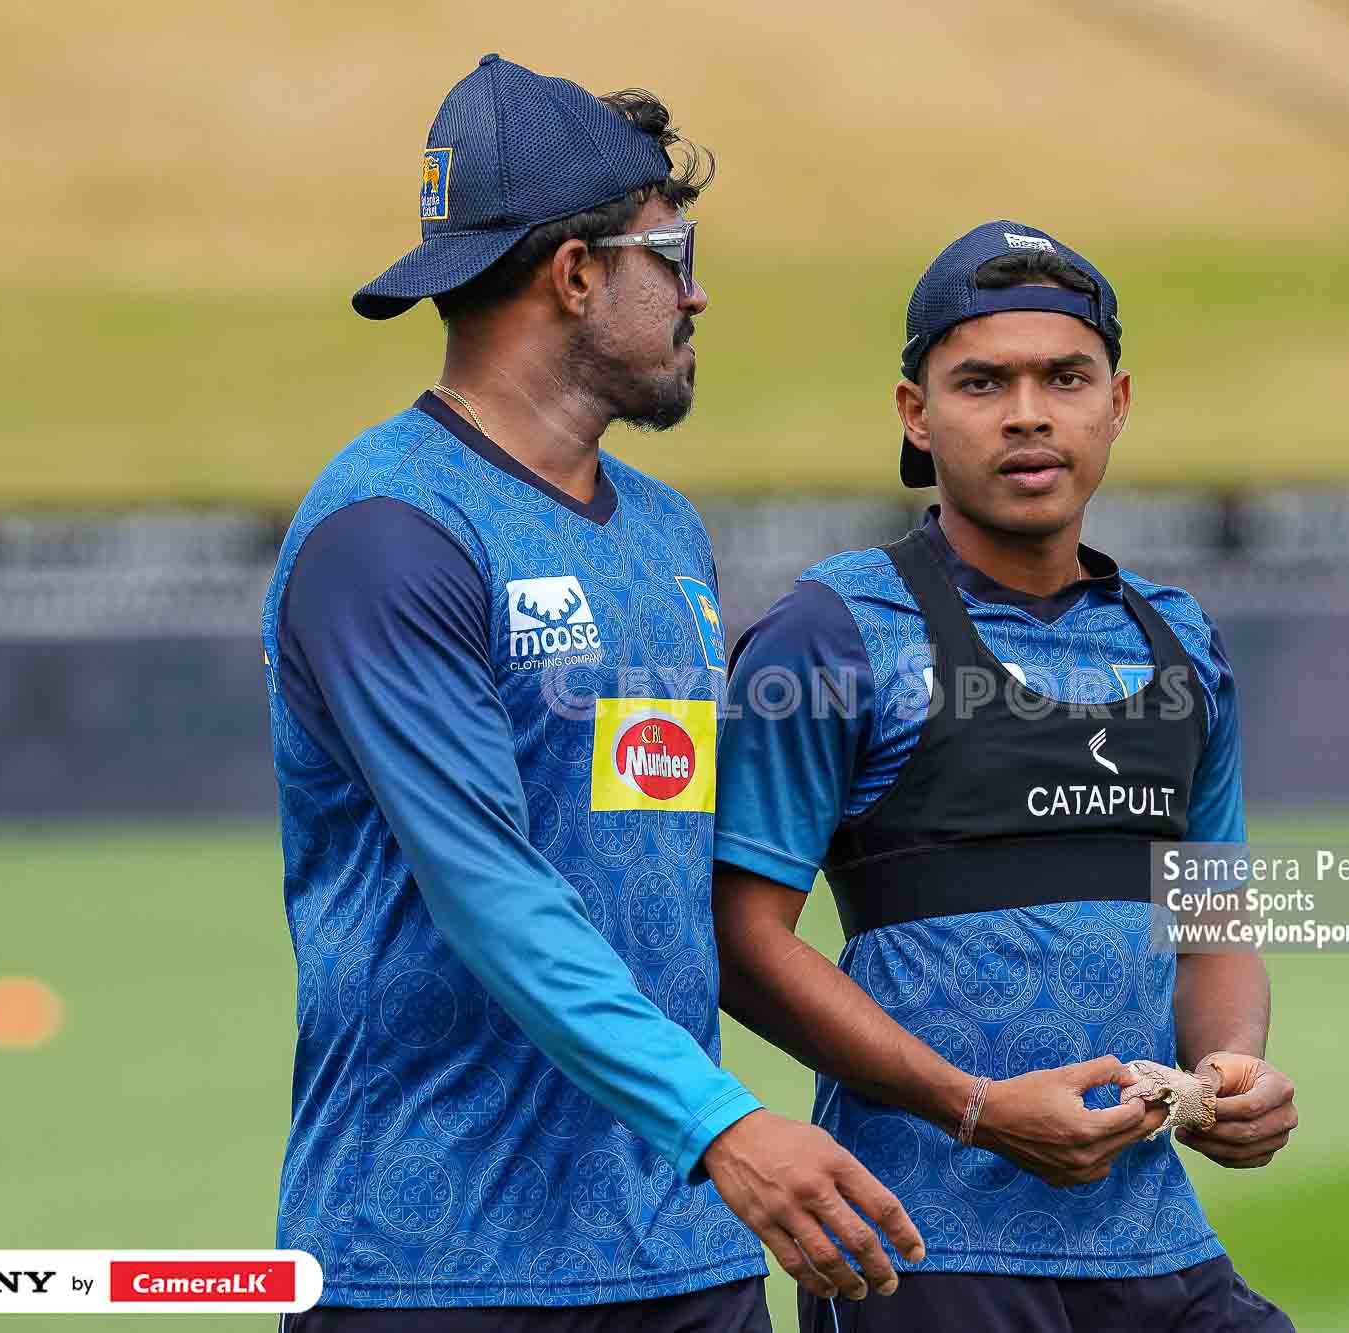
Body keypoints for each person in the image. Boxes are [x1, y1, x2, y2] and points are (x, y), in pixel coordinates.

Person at [264, 55, 920, 1332]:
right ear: (574, 274)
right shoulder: (389, 533)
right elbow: (491, 890)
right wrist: (723, 1123)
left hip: (684, 1257)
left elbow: (683, 877)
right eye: (669, 255)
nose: (697, 292)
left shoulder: (666, 532)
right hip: (434, 1266)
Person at [712, 221, 1299, 1332]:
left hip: (1157, 1245)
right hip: (920, 1250)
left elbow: (1213, 926)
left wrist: (1232, 1068)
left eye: (1064, 378)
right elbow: (739, 939)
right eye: (981, 382)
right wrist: (975, 1108)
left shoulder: (1181, 640)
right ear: (914, 413)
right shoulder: (834, 631)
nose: (1028, 413)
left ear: (1116, 403)